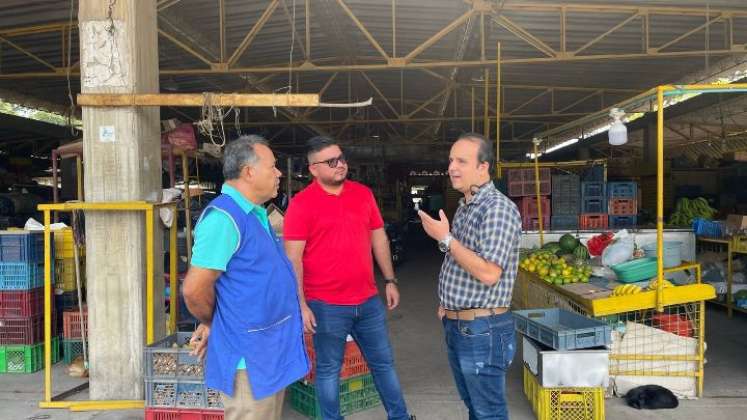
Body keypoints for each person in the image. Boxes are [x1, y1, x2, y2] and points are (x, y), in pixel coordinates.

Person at [283, 136, 414, 420]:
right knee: (329, 370)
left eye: (341, 158)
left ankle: (400, 416)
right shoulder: (302, 205)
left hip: (368, 301)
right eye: (332, 161)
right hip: (325, 305)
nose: (341, 164)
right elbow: (293, 259)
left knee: (383, 364)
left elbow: (378, 238)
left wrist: (390, 280)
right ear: (314, 169)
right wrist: (301, 305)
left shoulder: (363, 194)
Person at [183, 135, 308, 420]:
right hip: (248, 357)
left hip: (268, 349)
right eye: (273, 167)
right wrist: (211, 321)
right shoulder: (224, 219)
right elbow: (194, 290)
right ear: (249, 172)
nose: (279, 173)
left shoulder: (255, 214)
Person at [418, 132, 521, 420]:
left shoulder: (497, 209)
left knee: (488, 412)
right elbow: (463, 259)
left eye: (461, 161)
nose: (452, 167)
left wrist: (446, 238)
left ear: (483, 167)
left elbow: (489, 273)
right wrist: (448, 304)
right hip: (462, 324)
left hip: (483, 329)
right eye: (451, 160)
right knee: (475, 406)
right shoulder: (467, 206)